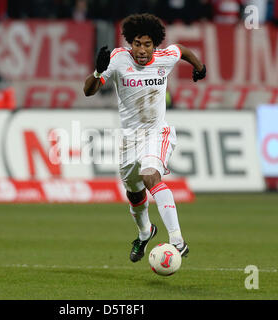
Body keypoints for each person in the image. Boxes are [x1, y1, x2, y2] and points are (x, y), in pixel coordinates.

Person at [83, 13, 206, 263]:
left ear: (155, 44)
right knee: (135, 195)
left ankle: (177, 241)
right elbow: (88, 91)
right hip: (129, 139)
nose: (141, 49)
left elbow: (181, 50)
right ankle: (145, 232)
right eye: (137, 43)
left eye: (147, 44)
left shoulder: (164, 58)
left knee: (151, 175)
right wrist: (97, 71)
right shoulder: (118, 59)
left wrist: (200, 68)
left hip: (157, 132)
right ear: (130, 42)